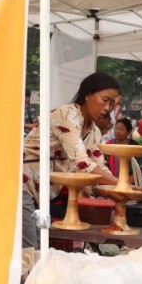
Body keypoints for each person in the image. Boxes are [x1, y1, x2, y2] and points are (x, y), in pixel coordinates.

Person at [21, 72, 121, 249]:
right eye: (104, 100)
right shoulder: (66, 115)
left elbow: (99, 167)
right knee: (31, 251)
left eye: (112, 104)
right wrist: (122, 185)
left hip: (43, 194)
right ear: (88, 95)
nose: (108, 108)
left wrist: (118, 191)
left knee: (40, 249)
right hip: (20, 187)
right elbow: (83, 164)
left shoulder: (94, 131)